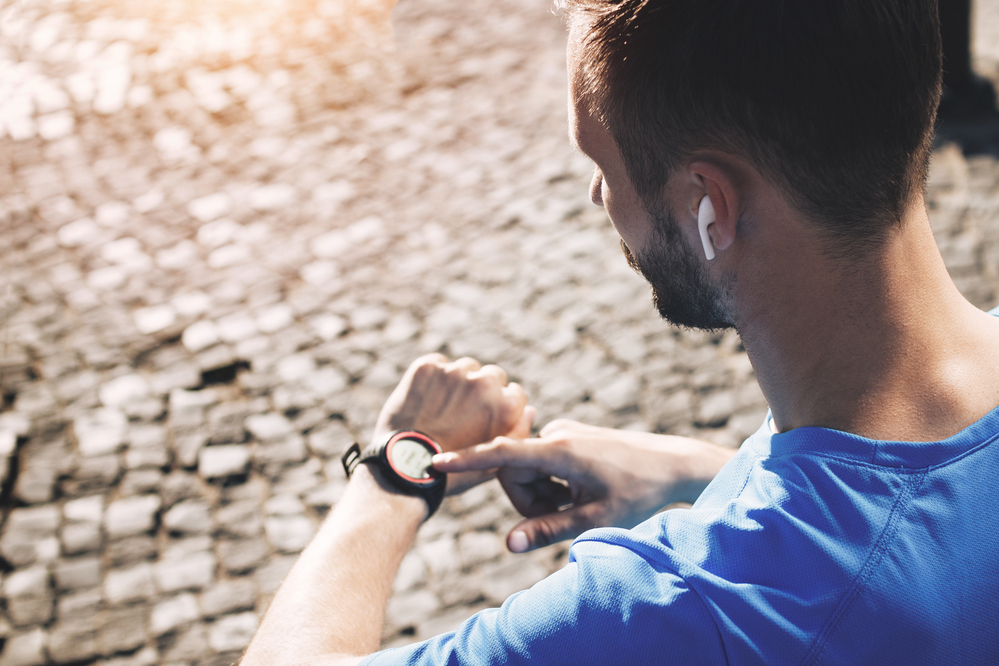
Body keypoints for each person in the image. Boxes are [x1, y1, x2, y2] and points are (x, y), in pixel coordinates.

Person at [243, 1, 999, 663]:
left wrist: (395, 467)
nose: (597, 192)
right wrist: (705, 478)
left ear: (710, 206)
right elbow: (917, 523)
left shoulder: (695, 608)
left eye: (600, 161)